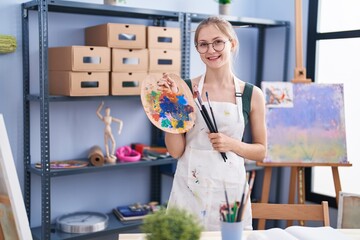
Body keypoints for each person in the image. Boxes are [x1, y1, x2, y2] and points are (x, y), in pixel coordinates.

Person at [158, 16, 267, 230]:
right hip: (188, 188)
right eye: (203, 44)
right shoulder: (185, 90)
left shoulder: (251, 95)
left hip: (230, 191)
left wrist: (232, 144)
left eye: (218, 42)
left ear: (232, 44)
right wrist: (166, 114)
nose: (211, 50)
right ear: (197, 48)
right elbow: (176, 151)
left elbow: (261, 151)